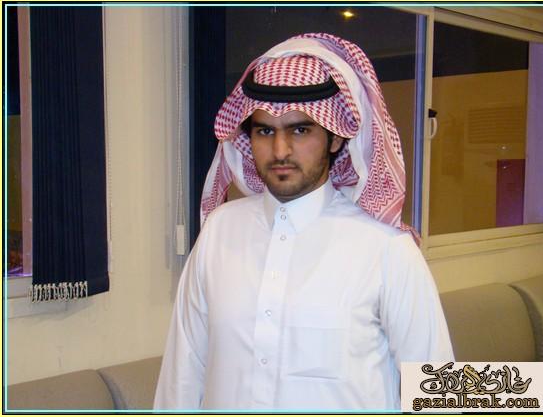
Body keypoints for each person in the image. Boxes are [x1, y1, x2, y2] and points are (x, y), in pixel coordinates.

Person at [154, 33, 453, 411]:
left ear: (334, 138)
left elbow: (437, 391)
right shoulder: (219, 231)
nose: (280, 150)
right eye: (265, 131)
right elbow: (183, 373)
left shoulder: (386, 248)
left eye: (300, 129)